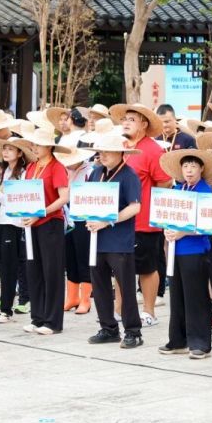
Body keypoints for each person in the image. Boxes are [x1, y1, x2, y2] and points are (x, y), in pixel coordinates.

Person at [111, 103, 173, 325]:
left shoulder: (153, 150)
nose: (126, 122)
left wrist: (147, 202)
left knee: (147, 268)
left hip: (145, 221)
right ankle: (118, 310)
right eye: (124, 119)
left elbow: (165, 182)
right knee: (119, 267)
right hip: (119, 219)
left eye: (132, 119)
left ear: (144, 124)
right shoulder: (120, 146)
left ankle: (149, 312)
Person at [159, 148, 212, 358]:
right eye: (185, 166)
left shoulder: (205, 191)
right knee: (176, 295)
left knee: (196, 297)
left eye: (193, 166)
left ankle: (200, 343)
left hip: (196, 250)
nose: (189, 170)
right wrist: (167, 230)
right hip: (176, 250)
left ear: (201, 168)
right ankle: (178, 339)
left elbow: (208, 224)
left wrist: (182, 232)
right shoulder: (178, 189)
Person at [84, 133, 144, 349]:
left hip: (119, 240)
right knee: (99, 286)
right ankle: (108, 328)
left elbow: (135, 207)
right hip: (96, 239)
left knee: (126, 287)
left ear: (120, 153)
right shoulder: (96, 173)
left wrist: (107, 221)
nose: (103, 155)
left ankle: (133, 331)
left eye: (108, 151)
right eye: (101, 151)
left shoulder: (129, 175)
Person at [20, 129, 71, 335]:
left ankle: (52, 321)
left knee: (52, 272)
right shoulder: (32, 166)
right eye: (34, 144)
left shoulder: (57, 167)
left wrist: (42, 212)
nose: (34, 148)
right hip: (32, 223)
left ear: (49, 147)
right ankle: (37, 317)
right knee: (34, 270)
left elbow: (63, 197)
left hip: (50, 223)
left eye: (38, 145)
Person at [0, 137, 32, 323]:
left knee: (7, 268)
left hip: (14, 223)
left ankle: (6, 309)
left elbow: (16, 202)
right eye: (4, 149)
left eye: (10, 149)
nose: (6, 152)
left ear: (20, 153)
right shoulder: (4, 171)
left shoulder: (24, 173)